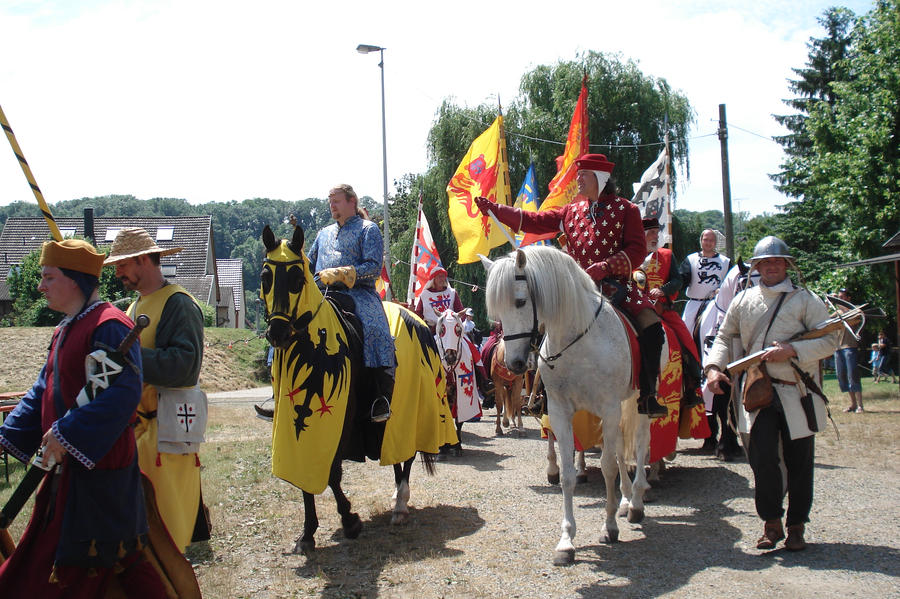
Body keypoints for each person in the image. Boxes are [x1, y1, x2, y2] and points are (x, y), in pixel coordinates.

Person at [0, 239, 170, 597]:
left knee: (110, 565)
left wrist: (67, 434)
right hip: (68, 477)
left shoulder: (110, 326)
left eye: (48, 277)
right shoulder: (65, 328)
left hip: (102, 477)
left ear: (74, 280)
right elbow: (43, 390)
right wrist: (7, 435)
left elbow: (123, 395)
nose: (40, 285)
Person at [475, 153, 667, 417]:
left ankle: (647, 393)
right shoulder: (571, 211)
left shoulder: (627, 210)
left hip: (617, 287)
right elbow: (534, 220)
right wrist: (496, 210)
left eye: (583, 174)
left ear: (600, 178)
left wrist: (606, 266)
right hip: (576, 291)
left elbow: (636, 251)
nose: (578, 179)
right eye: (578, 174)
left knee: (653, 327)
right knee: (540, 330)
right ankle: (545, 394)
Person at [705, 235, 838, 552]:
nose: (771, 267)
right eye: (765, 262)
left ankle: (796, 527)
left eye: (777, 261)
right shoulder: (743, 300)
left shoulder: (806, 300)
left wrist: (793, 350)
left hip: (798, 391)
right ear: (757, 267)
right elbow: (724, 336)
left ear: (787, 264)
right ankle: (771, 523)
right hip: (758, 392)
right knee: (762, 460)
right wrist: (713, 368)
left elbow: (830, 340)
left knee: (800, 463)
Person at [105, 227, 208, 552]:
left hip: (169, 433)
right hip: (140, 431)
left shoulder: (179, 304)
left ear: (142, 260)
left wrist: (126, 357)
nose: (118, 272)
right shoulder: (133, 308)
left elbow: (184, 366)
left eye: (122, 264)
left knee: (167, 528)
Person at [307, 184, 395, 423]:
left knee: (377, 329)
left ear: (351, 202)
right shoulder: (322, 234)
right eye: (330, 202)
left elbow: (373, 268)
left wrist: (341, 274)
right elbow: (308, 265)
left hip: (359, 294)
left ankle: (381, 396)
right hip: (321, 294)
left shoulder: (369, 230)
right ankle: (281, 391)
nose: (332, 206)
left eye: (336, 201)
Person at [635, 217, 702, 408]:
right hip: (637, 308)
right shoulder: (632, 255)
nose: (656, 236)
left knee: (686, 341)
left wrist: (663, 290)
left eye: (657, 232)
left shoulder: (666, 255)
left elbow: (678, 281)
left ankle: (692, 384)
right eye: (651, 233)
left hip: (662, 310)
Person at [680, 229, 730, 341]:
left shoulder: (726, 262)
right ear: (701, 241)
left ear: (715, 242)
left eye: (711, 240)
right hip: (694, 305)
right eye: (706, 240)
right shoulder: (691, 259)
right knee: (685, 335)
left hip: (716, 306)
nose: (708, 242)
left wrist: (720, 290)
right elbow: (681, 281)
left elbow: (732, 284)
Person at [832, 289, 863, 413]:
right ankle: (853, 404)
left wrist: (838, 303)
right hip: (838, 348)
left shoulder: (855, 309)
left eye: (842, 297)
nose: (840, 299)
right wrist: (827, 303)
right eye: (838, 297)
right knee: (842, 376)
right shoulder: (837, 312)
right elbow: (823, 320)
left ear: (848, 298)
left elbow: (856, 316)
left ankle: (860, 405)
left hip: (850, 346)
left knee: (853, 375)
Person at [414, 267, 464, 334]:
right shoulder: (425, 294)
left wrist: (456, 325)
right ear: (433, 279)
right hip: (431, 331)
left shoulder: (452, 293)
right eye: (439, 276)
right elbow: (419, 314)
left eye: (443, 276)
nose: (442, 279)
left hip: (449, 331)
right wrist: (412, 313)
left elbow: (460, 312)